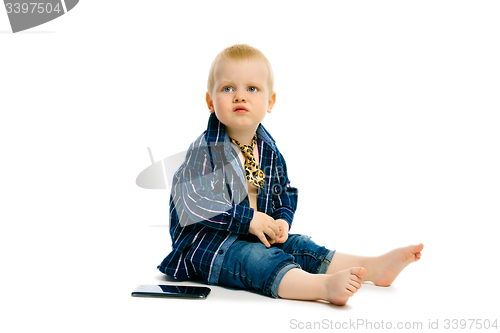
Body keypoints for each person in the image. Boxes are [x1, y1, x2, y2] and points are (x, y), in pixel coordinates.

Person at [157, 44, 423, 305]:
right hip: (209, 248)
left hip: (252, 235)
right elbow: (195, 202)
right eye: (228, 88)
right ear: (210, 101)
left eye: (252, 88)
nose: (240, 96)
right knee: (257, 260)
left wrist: (282, 220)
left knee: (301, 246)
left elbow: (283, 191)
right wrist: (248, 220)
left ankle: (373, 267)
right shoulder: (205, 150)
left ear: (270, 101)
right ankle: (322, 287)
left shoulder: (268, 150)